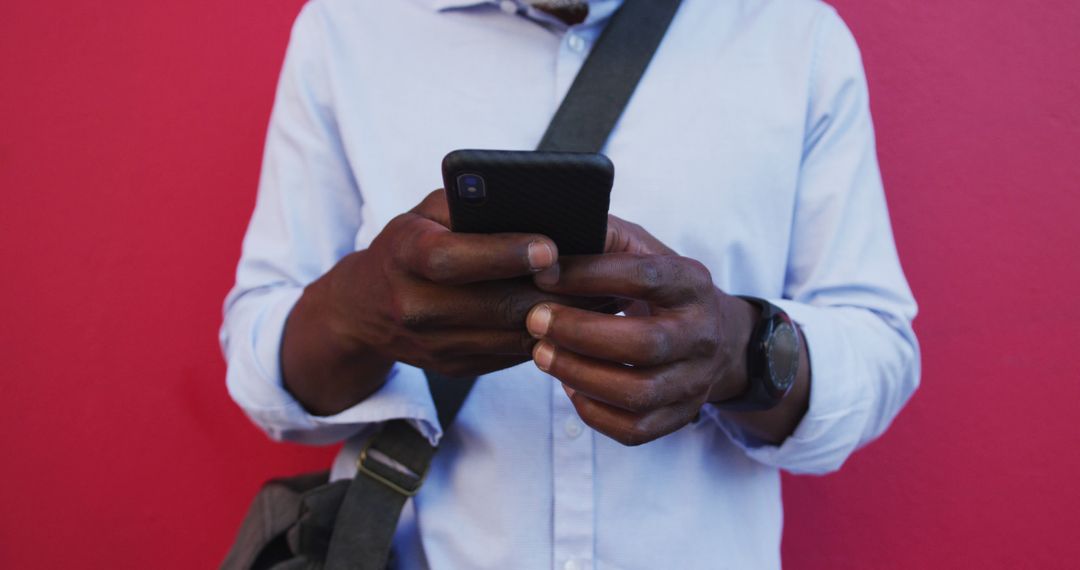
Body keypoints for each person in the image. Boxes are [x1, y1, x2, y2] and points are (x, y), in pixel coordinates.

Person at [220, 0, 920, 567]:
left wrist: (739, 351)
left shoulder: (794, 36)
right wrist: (355, 313)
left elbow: (881, 349)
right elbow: (259, 368)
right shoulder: (346, 29)